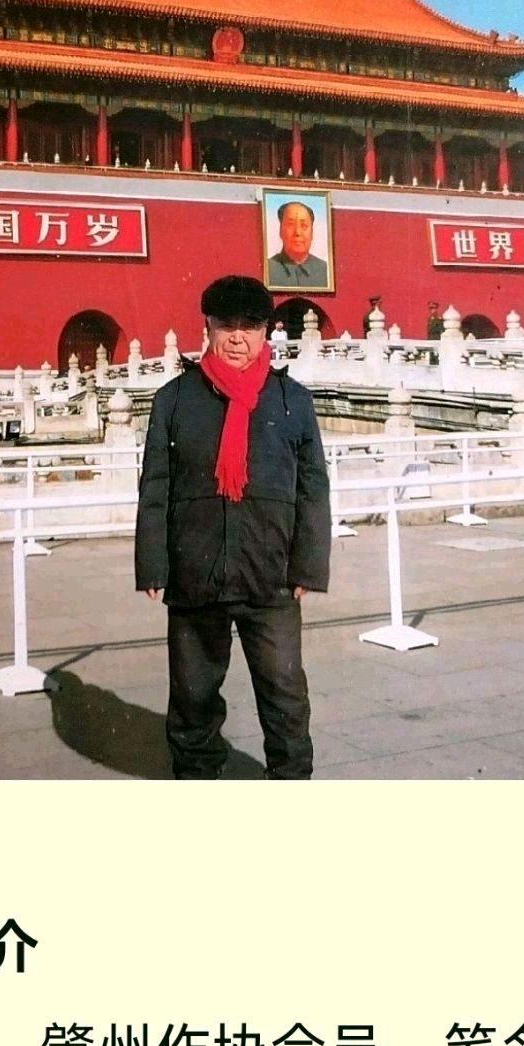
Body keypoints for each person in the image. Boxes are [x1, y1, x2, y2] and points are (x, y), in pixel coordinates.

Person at [136, 274, 331, 779]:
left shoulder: (292, 400)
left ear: (266, 332)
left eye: (250, 326)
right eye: (227, 326)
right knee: (193, 697)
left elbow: (313, 488)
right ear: (209, 328)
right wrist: (153, 564)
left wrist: (308, 566)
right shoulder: (175, 399)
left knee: (285, 694)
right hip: (195, 573)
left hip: (271, 576)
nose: (238, 338)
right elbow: (155, 486)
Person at [266, 201, 329, 288]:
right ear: (280, 230)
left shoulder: (325, 270)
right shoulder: (268, 268)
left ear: (312, 233)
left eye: (304, 225)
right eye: (290, 225)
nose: (297, 232)